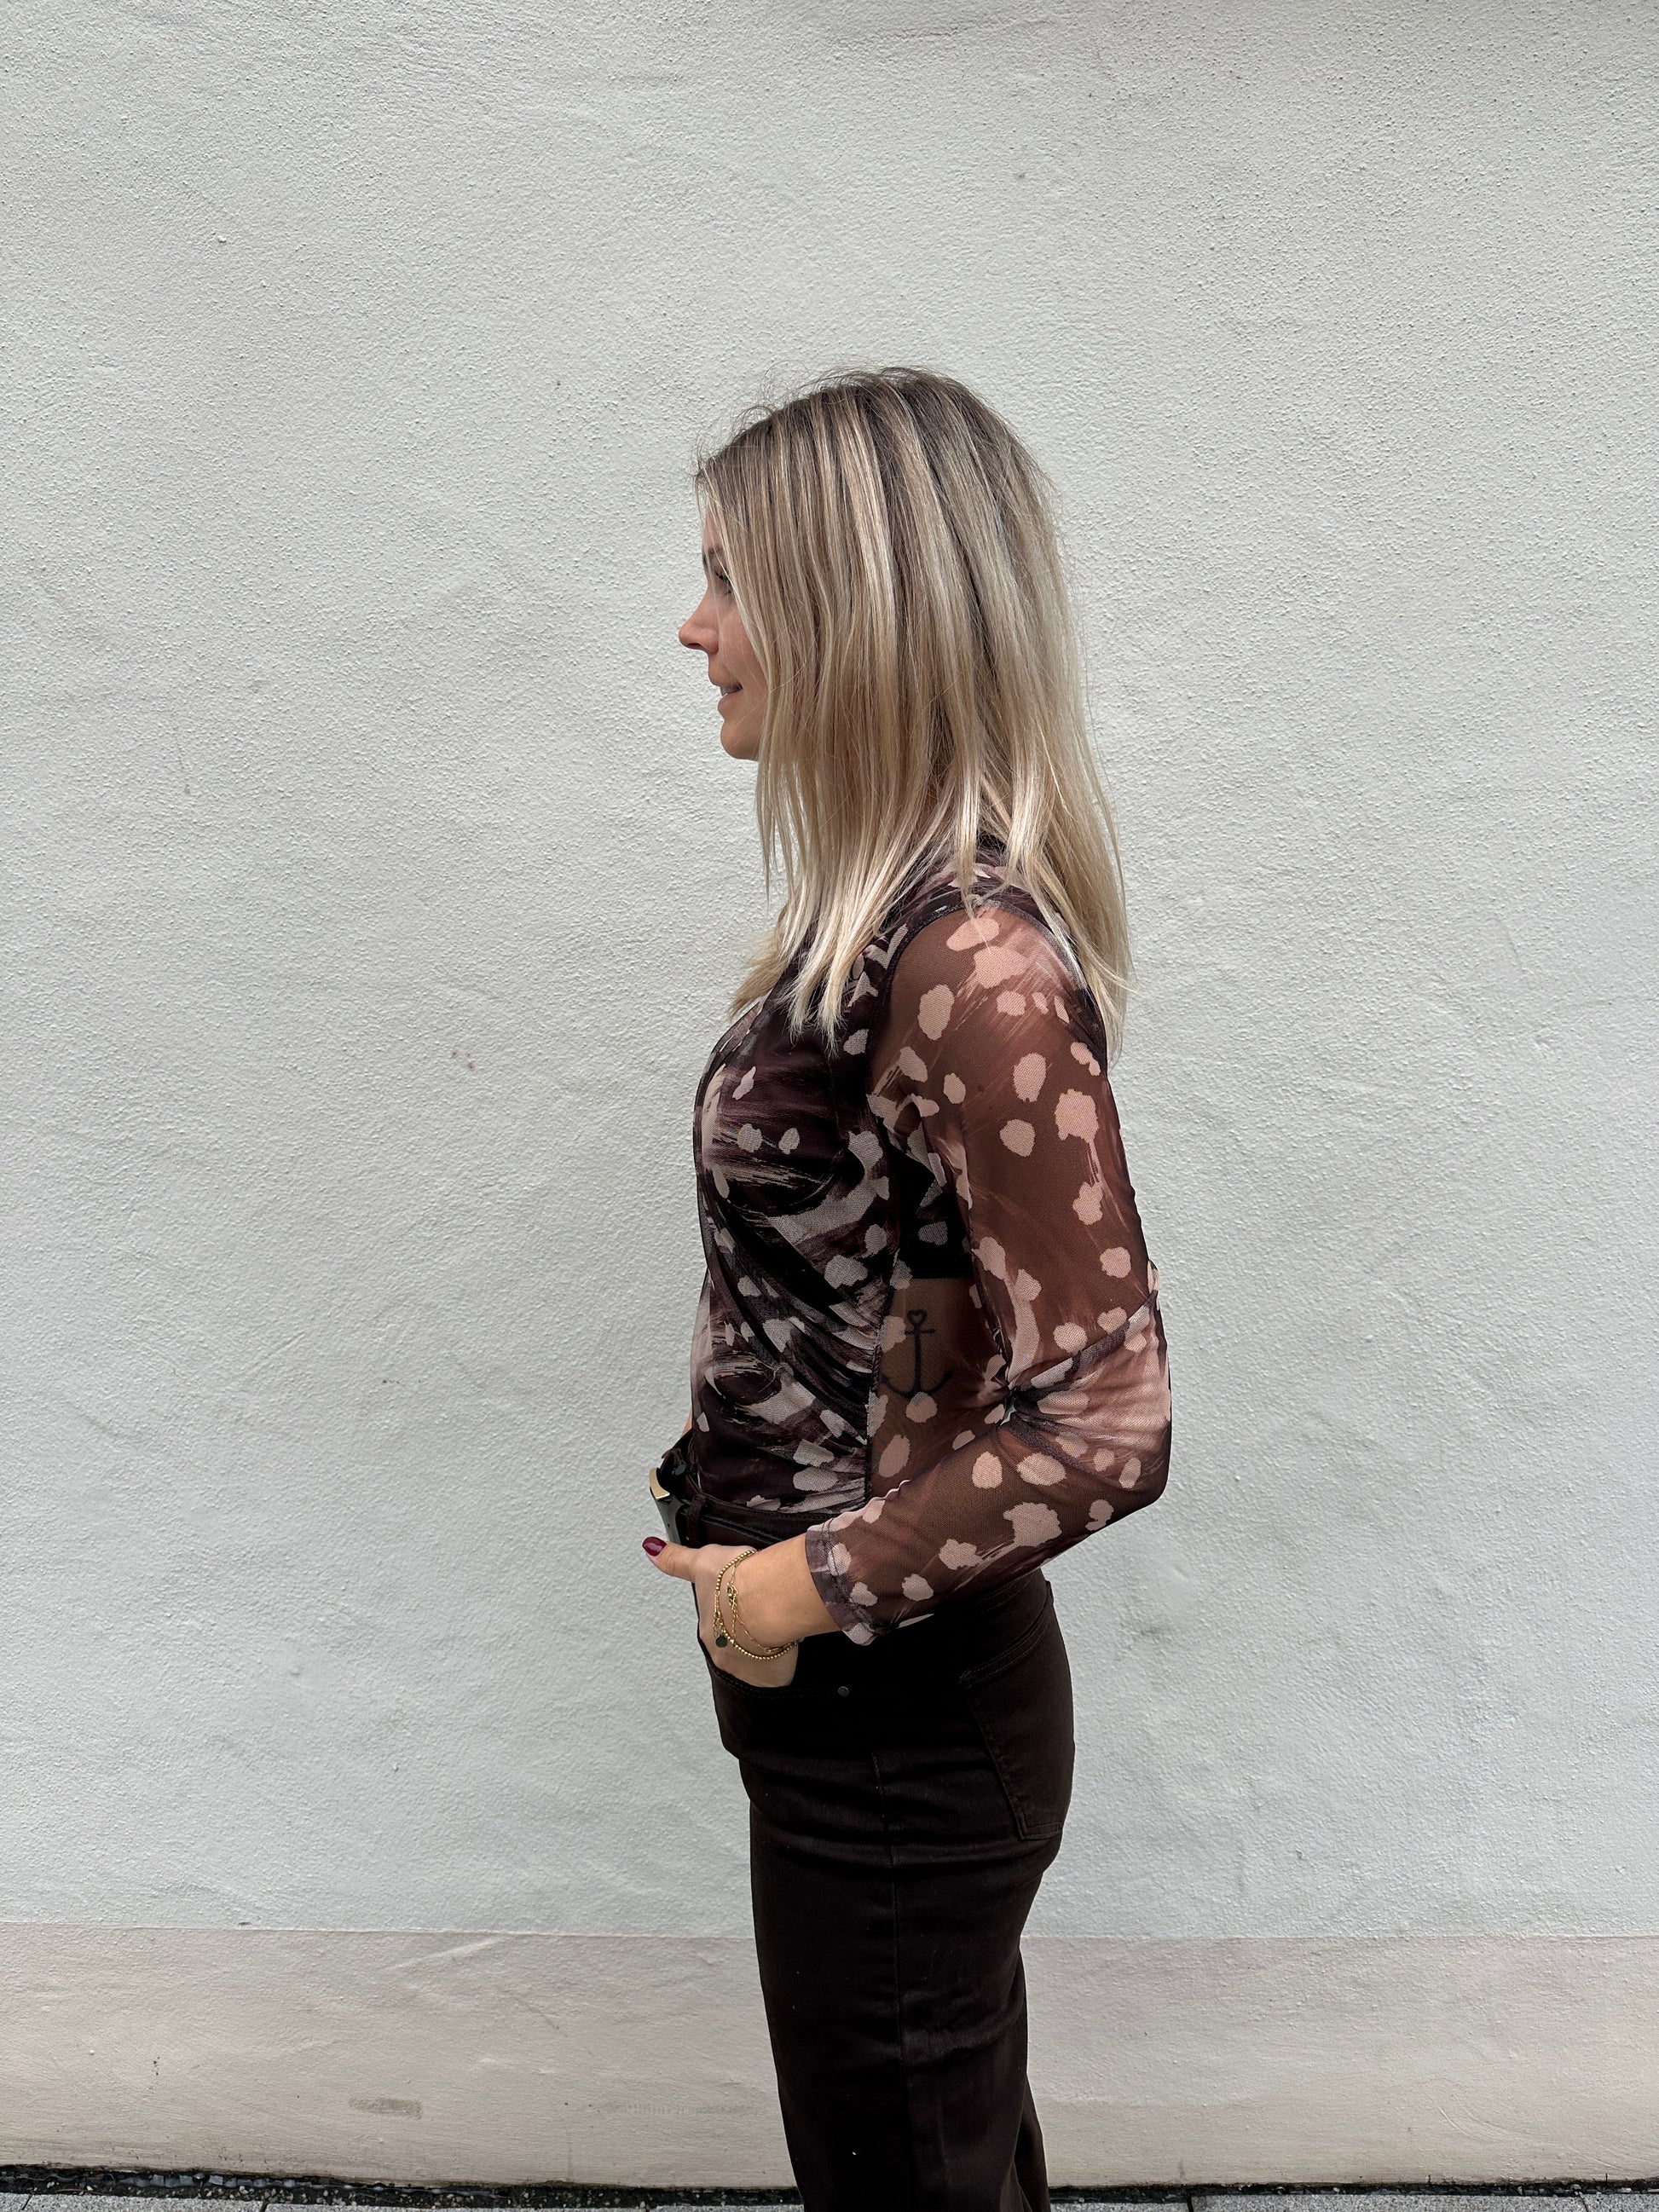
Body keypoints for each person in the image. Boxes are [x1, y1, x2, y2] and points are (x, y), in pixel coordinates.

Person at [645, 365, 1173, 2212]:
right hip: (857, 1704)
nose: (694, 626)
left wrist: (787, 1587)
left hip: (897, 1708)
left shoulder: (969, 964)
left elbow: (1106, 1416)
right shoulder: (881, 934)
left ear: (852, 611)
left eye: (730, 579)